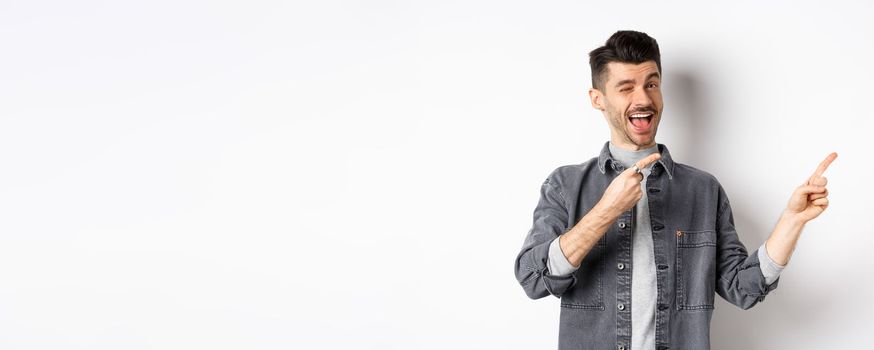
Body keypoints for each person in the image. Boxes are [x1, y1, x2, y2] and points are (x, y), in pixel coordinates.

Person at [513, 30, 836, 350]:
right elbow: (533, 279)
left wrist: (792, 221)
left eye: (651, 84)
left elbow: (743, 288)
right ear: (598, 99)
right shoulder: (565, 186)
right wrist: (606, 211)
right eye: (626, 88)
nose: (643, 99)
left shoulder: (703, 190)